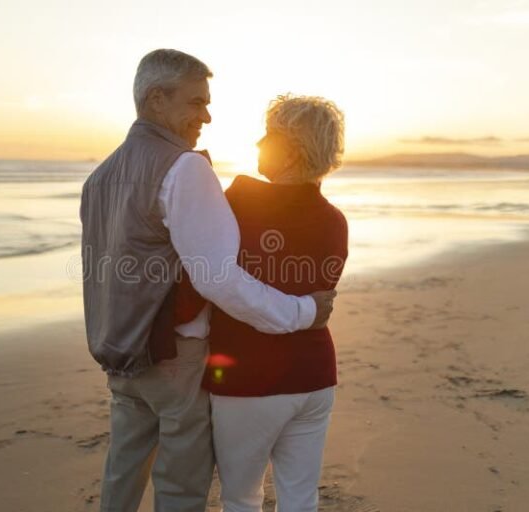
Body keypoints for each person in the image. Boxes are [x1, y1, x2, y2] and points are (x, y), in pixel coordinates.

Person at [79, 50, 337, 512]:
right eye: (196, 102)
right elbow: (219, 279)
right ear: (157, 99)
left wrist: (107, 340)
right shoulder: (184, 168)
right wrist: (303, 311)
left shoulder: (99, 177)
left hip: (119, 353)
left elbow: (102, 274)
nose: (207, 116)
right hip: (173, 356)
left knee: (122, 472)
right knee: (180, 487)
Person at [175, 94, 349, 511]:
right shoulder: (334, 220)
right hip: (315, 376)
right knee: (300, 498)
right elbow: (315, 296)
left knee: (240, 498)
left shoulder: (235, 204)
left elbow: (200, 284)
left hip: (248, 379)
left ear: (292, 150)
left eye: (269, 136)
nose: (257, 144)